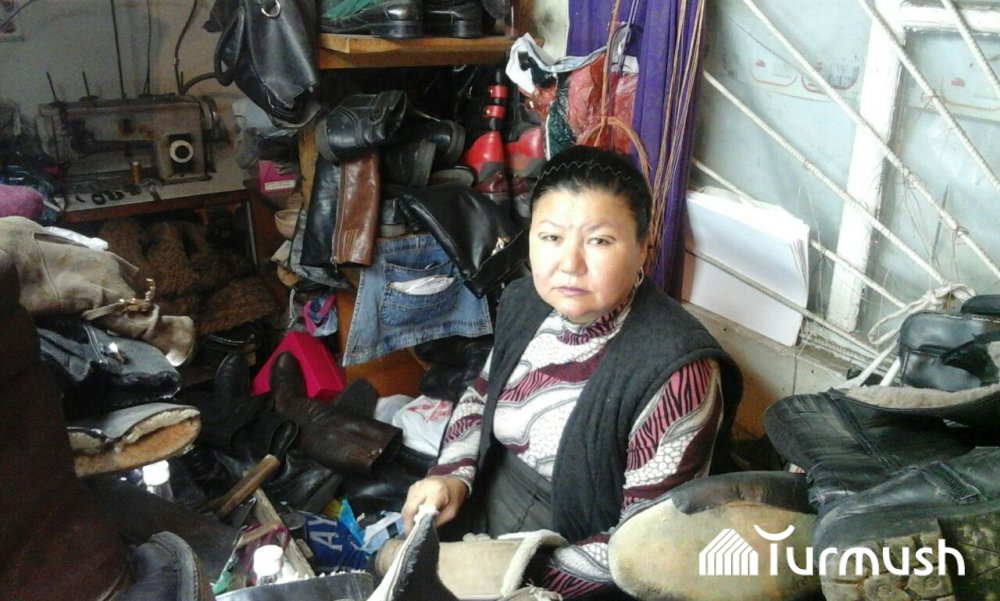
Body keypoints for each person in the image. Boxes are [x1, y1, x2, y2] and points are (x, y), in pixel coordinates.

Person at [400, 145, 743, 599]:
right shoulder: (526, 301)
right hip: (487, 507)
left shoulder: (679, 375)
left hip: (576, 562)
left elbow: (647, 547)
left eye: (599, 241)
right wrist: (451, 473)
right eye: (551, 237)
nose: (569, 264)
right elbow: (482, 393)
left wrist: (510, 577)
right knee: (388, 566)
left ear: (644, 247)